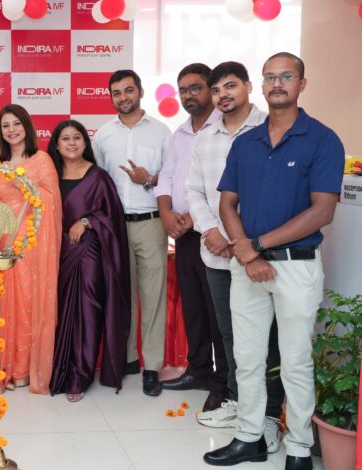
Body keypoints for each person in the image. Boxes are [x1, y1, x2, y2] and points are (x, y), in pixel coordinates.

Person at [204, 53, 344, 470]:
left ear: (302, 84)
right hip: (247, 267)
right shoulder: (245, 143)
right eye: (269, 77)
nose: (277, 83)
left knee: (295, 360)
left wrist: (256, 245)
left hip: (296, 266)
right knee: (246, 358)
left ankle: (299, 448)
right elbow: (227, 203)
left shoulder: (323, 139)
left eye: (286, 76)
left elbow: (322, 211)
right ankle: (249, 436)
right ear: (261, 85)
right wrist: (248, 253)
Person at [186, 61, 285, 453]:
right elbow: (194, 190)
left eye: (230, 86)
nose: (222, 95)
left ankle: (270, 415)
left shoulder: (269, 129)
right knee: (229, 333)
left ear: (247, 86)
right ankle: (240, 403)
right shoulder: (204, 138)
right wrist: (211, 231)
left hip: (260, 253)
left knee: (267, 337)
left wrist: (244, 241)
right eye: (216, 90)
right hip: (217, 254)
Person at [91, 69, 172, 397]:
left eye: (128, 90)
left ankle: (151, 366)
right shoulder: (102, 135)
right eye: (117, 93)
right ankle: (126, 359)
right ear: (111, 97)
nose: (123, 97)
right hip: (114, 226)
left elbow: (171, 177)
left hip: (151, 222)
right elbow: (97, 180)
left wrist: (148, 179)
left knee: (153, 297)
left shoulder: (161, 132)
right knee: (121, 296)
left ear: (140, 92)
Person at [154, 63, 229, 411]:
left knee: (218, 312)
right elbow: (167, 177)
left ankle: (223, 381)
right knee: (194, 307)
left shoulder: (225, 127)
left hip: (215, 232)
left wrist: (193, 217)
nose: (188, 95)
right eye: (182, 90)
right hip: (183, 234)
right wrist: (167, 214)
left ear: (211, 90)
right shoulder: (180, 133)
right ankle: (198, 370)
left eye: (195, 88)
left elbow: (223, 185)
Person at [46, 120, 130, 402]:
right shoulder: (50, 174)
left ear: (85, 142)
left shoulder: (98, 176)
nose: (72, 143)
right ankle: (59, 369)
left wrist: (86, 221)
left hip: (88, 254)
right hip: (55, 254)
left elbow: (112, 216)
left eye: (77, 138)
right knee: (60, 314)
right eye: (66, 138)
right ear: (56, 144)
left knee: (87, 312)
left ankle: (80, 375)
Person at [0, 104, 61, 394]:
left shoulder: (41, 160)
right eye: (5, 125)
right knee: (4, 304)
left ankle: (25, 369)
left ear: (26, 126)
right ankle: (6, 366)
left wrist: (27, 188)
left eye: (16, 124)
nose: (11, 130)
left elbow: (52, 200)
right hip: (3, 244)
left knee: (28, 303)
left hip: (32, 243)